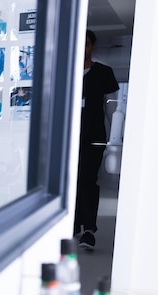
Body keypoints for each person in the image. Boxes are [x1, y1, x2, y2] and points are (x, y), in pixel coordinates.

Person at [74, 30, 119, 250]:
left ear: (92, 47)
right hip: (68, 139)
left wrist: (116, 136)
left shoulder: (103, 72)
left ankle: (88, 231)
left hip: (93, 138)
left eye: (87, 44)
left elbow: (112, 108)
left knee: (86, 181)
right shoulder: (66, 72)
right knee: (70, 182)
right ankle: (73, 224)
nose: (83, 48)